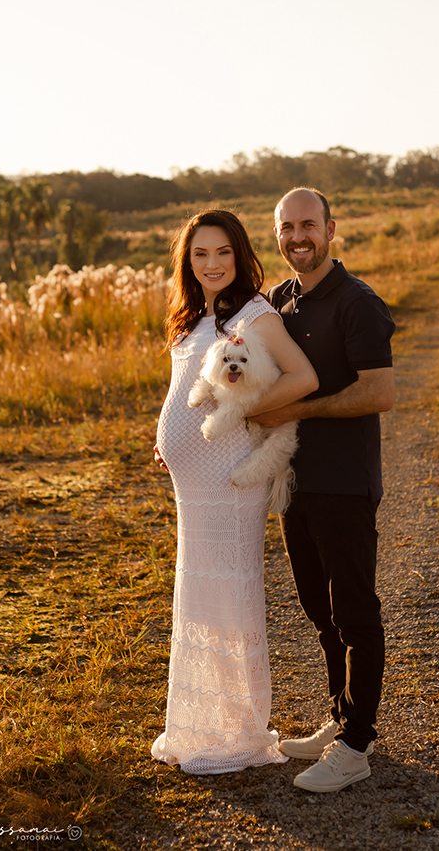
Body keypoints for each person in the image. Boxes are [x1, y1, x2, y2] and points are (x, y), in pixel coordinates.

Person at [152, 209, 318, 775]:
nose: (212, 264)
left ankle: (237, 731)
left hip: (231, 469)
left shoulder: (255, 314)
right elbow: (183, 388)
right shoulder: (189, 316)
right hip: (190, 476)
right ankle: (196, 724)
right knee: (197, 587)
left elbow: (303, 378)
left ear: (240, 255)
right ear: (187, 262)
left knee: (230, 588)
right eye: (200, 254)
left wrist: (244, 409)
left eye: (223, 253)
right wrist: (167, 436)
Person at [250, 187, 395, 793]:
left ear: (331, 229)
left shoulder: (358, 303)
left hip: (344, 484)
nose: (298, 236)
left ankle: (356, 744)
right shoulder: (277, 301)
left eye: (309, 224)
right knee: (319, 611)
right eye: (287, 227)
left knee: (355, 610)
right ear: (277, 234)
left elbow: (379, 392)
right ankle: (339, 715)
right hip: (295, 485)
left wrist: (302, 413)